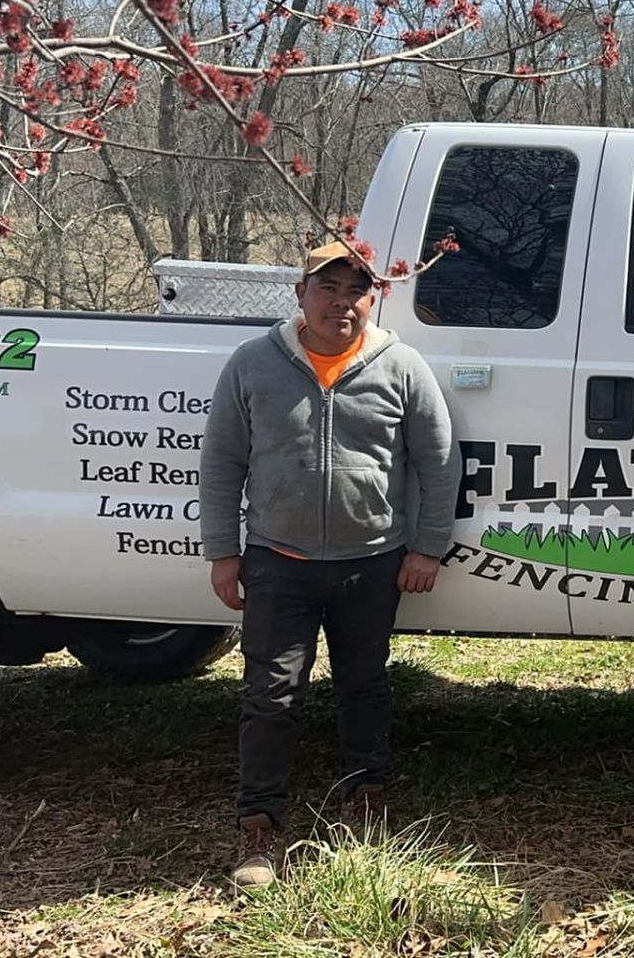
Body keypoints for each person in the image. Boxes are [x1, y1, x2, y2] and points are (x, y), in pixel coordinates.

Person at [199, 241, 461, 888]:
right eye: (328, 288)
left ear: (372, 299)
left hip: (371, 564)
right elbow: (222, 462)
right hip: (276, 562)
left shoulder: (401, 366)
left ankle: (364, 803)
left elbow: (439, 460)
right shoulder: (253, 364)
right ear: (299, 294)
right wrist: (223, 552)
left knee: (364, 687)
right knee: (271, 696)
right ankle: (259, 829)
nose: (341, 303)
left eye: (355, 291)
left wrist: (427, 546)